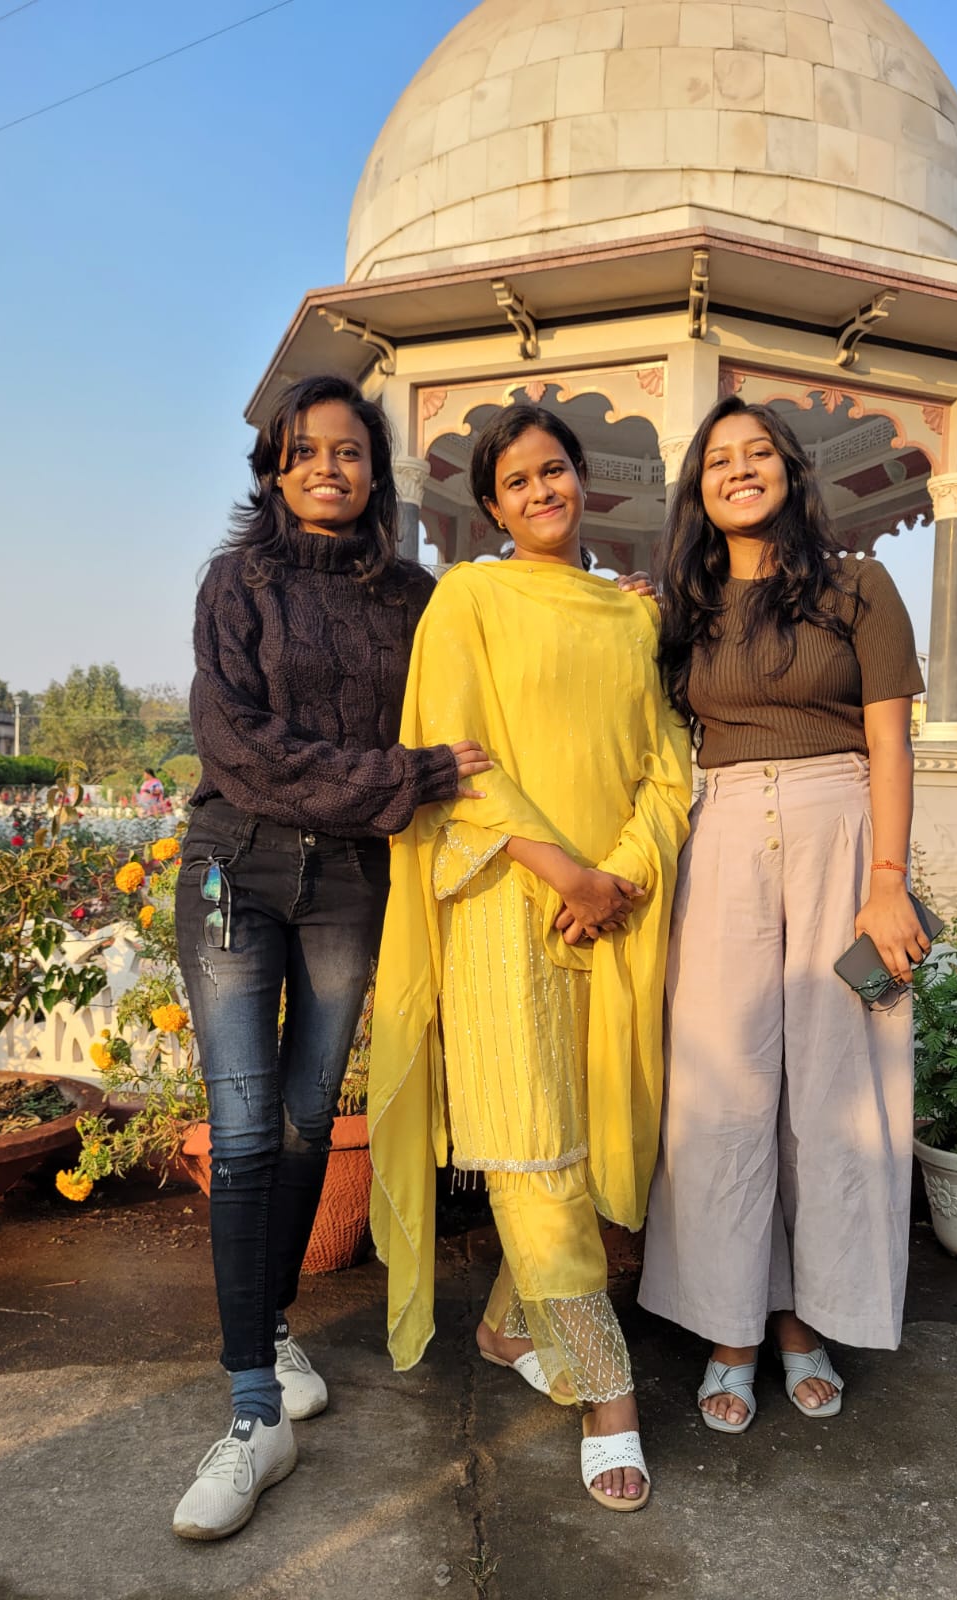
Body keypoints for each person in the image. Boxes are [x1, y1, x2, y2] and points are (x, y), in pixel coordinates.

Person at [169, 374, 493, 1540]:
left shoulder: (415, 597)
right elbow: (240, 749)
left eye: (348, 451)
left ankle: (270, 1325)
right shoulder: (237, 583)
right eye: (303, 451)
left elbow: (495, 660)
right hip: (233, 868)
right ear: (273, 468)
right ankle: (253, 1412)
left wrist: (628, 615)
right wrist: (404, 778)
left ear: (375, 471)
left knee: (311, 1116)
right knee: (246, 1125)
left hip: (352, 883)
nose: (326, 468)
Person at [369, 403, 691, 1512]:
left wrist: (623, 873)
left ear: (582, 480)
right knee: (534, 1148)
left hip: (617, 912)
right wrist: (567, 875)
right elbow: (457, 762)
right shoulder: (467, 598)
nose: (542, 491)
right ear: (492, 507)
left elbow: (668, 766)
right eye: (517, 481)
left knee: (586, 1144)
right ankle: (609, 1394)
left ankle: (510, 1327)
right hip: (508, 906)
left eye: (555, 470)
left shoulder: (631, 615)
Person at [637, 395, 929, 1434]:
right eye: (719, 459)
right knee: (723, 1087)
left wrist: (887, 880)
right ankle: (731, 1328)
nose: (739, 470)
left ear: (792, 471)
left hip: (840, 830)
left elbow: (890, 742)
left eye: (758, 452)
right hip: (720, 836)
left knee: (839, 1087)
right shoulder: (684, 607)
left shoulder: (860, 587)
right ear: (700, 490)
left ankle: (809, 1319)